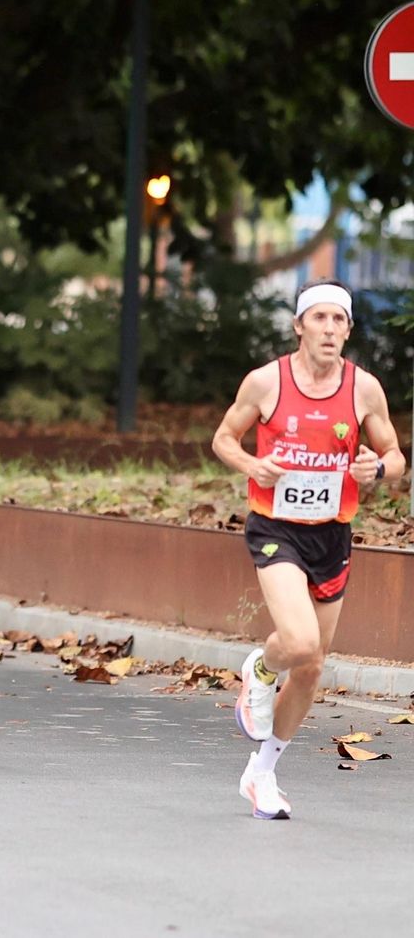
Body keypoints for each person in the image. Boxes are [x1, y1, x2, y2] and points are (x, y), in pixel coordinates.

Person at [212, 279, 404, 820]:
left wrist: (376, 468)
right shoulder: (266, 382)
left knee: (313, 665)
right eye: (318, 317)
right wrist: (253, 465)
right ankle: (260, 668)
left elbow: (395, 456)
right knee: (298, 642)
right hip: (276, 526)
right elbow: (223, 438)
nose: (329, 328)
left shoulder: (363, 389)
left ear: (348, 330)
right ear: (299, 325)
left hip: (332, 534)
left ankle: (262, 774)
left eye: (338, 320)